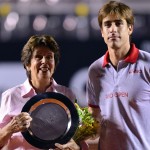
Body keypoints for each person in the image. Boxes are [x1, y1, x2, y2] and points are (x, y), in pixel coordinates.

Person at [87, 1, 150, 150]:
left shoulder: (147, 64)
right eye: (107, 25)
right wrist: (78, 143)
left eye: (118, 23)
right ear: (102, 32)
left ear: (130, 28)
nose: (113, 29)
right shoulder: (94, 71)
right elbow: (94, 119)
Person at [0, 35, 81, 150]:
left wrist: (77, 147)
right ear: (28, 64)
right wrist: (10, 128)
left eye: (49, 57)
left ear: (54, 63)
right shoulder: (11, 96)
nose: (44, 61)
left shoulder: (67, 95)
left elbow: (78, 137)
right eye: (38, 57)